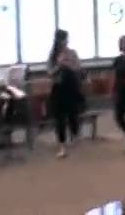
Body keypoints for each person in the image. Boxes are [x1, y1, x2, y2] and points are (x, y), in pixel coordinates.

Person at [47, 29, 83, 159]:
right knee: (59, 119)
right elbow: (50, 72)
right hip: (58, 89)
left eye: (66, 39)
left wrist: (68, 64)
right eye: (63, 39)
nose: (65, 41)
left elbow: (78, 68)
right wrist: (59, 65)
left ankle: (75, 135)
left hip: (71, 88)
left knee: (73, 115)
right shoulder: (53, 55)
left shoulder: (72, 53)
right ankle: (62, 146)